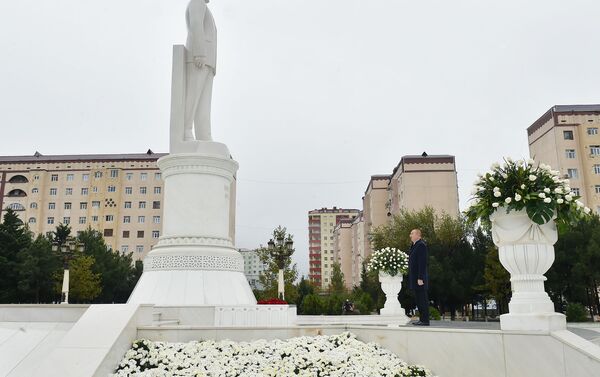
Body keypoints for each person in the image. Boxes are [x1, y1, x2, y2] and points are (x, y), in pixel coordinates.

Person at [184, 0, 217, 142]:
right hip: (200, 57)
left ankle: (204, 135)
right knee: (193, 96)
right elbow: (196, 24)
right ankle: (186, 130)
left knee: (203, 101)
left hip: (207, 60)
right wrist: (199, 52)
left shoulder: (203, 6)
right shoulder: (196, 2)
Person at [408, 228, 430, 326]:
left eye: (412, 233)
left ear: (418, 235)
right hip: (415, 278)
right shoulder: (414, 245)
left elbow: (422, 263)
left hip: (419, 278)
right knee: (419, 299)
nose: (410, 235)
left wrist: (420, 278)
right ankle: (422, 319)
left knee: (422, 299)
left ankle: (425, 320)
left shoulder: (421, 245)